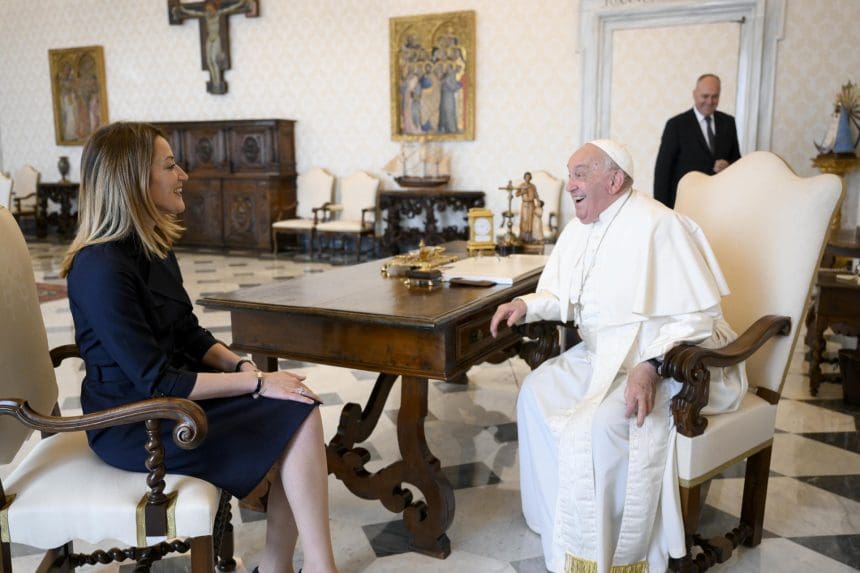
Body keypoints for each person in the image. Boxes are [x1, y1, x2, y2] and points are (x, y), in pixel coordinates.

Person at [59, 122, 338, 573]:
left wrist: (242, 365)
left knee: (299, 406)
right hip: (134, 421)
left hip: (171, 402)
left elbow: (189, 334)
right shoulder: (99, 267)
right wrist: (257, 383)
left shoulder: (152, 245)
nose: (183, 174)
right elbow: (157, 379)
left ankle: (284, 565)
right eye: (169, 165)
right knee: (289, 410)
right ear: (132, 179)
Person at [490, 139, 746, 573]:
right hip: (601, 357)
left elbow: (700, 317)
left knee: (606, 423)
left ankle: (612, 549)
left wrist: (649, 366)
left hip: (668, 362)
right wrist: (527, 306)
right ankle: (562, 528)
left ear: (614, 179)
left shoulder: (658, 224)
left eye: (580, 174)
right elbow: (564, 293)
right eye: (569, 174)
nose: (569, 184)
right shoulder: (580, 228)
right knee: (535, 392)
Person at [653, 74, 741, 208]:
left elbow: (738, 162)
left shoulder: (728, 122)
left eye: (715, 96)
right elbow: (662, 172)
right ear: (694, 94)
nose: (710, 101)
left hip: (719, 203)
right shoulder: (676, 125)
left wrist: (728, 166)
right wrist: (661, 209)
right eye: (705, 96)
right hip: (685, 203)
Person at [515, 171, 539, 242]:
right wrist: (522, 192)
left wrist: (538, 201)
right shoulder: (521, 185)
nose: (527, 178)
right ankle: (523, 237)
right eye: (526, 177)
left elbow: (536, 195)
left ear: (530, 178)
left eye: (529, 177)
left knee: (531, 220)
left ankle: (530, 237)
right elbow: (516, 194)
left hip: (532, 204)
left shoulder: (533, 186)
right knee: (524, 219)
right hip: (525, 205)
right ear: (524, 178)